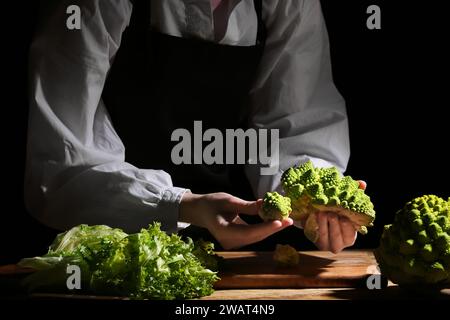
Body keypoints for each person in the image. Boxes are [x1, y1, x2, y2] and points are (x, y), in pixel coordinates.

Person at [26, 0, 359, 253]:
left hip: (223, 249)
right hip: (100, 246)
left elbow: (298, 125)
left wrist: (312, 199)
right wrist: (181, 204)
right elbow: (59, 169)